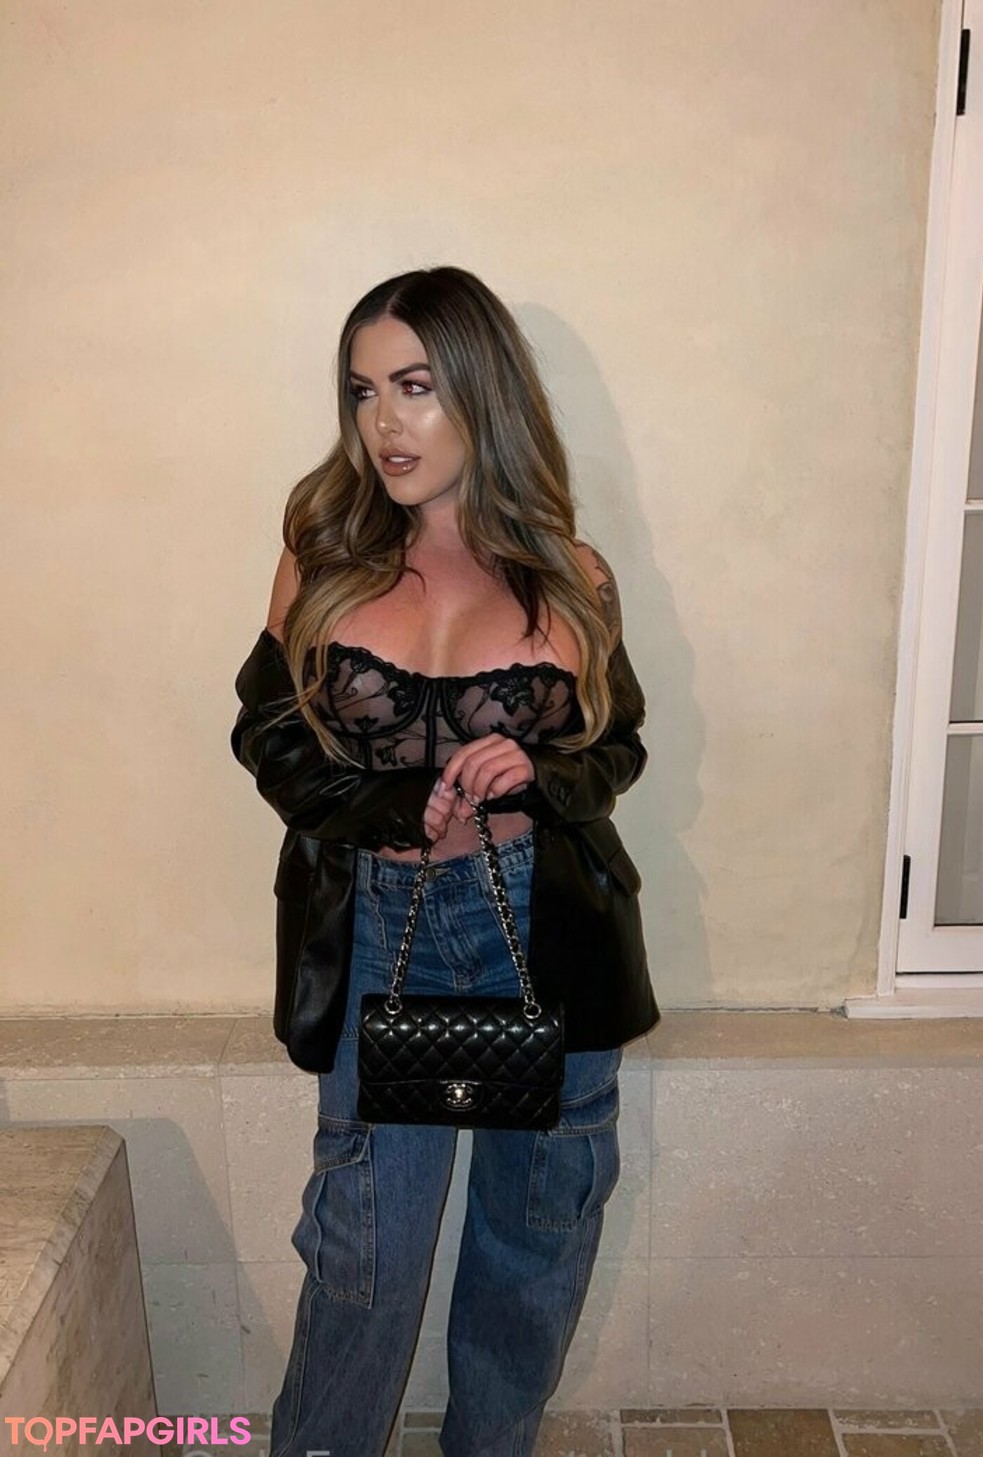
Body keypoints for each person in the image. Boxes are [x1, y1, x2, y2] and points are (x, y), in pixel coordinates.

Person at [231, 265, 658, 1457]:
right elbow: (267, 737)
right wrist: (391, 801)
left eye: (415, 386)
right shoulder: (322, 553)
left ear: (481, 389)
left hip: (542, 928)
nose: (385, 422)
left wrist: (539, 771)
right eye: (363, 390)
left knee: (532, 1248)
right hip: (380, 925)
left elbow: (616, 747)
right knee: (363, 1251)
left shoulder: (574, 575)